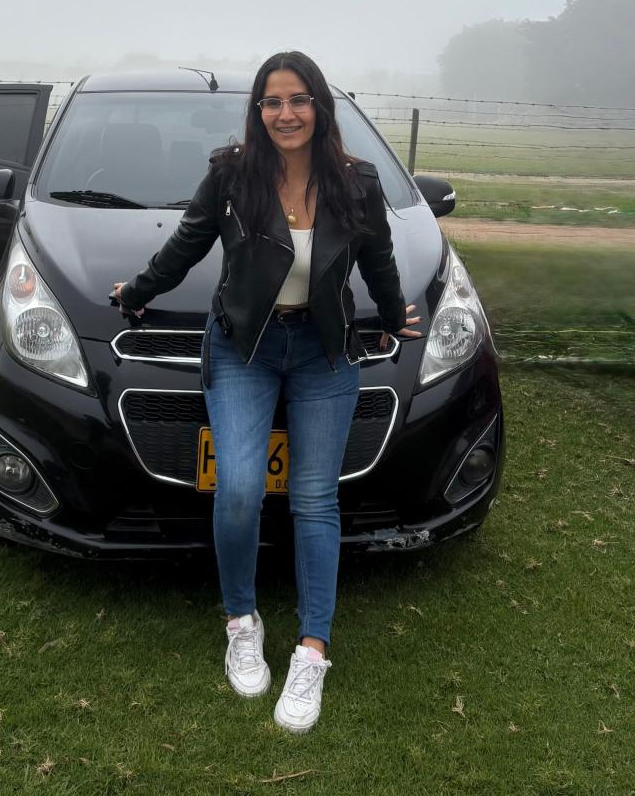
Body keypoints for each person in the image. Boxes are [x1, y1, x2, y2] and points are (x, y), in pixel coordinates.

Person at [113, 50, 421, 732]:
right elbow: (187, 245)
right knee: (240, 489)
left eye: (299, 99)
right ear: (258, 111)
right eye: (273, 101)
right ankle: (241, 621)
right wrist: (136, 292)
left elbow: (377, 257)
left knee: (314, 499)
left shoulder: (356, 182)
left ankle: (312, 650)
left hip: (324, 353)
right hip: (243, 349)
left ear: (319, 107)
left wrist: (393, 310)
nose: (286, 114)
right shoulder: (232, 175)